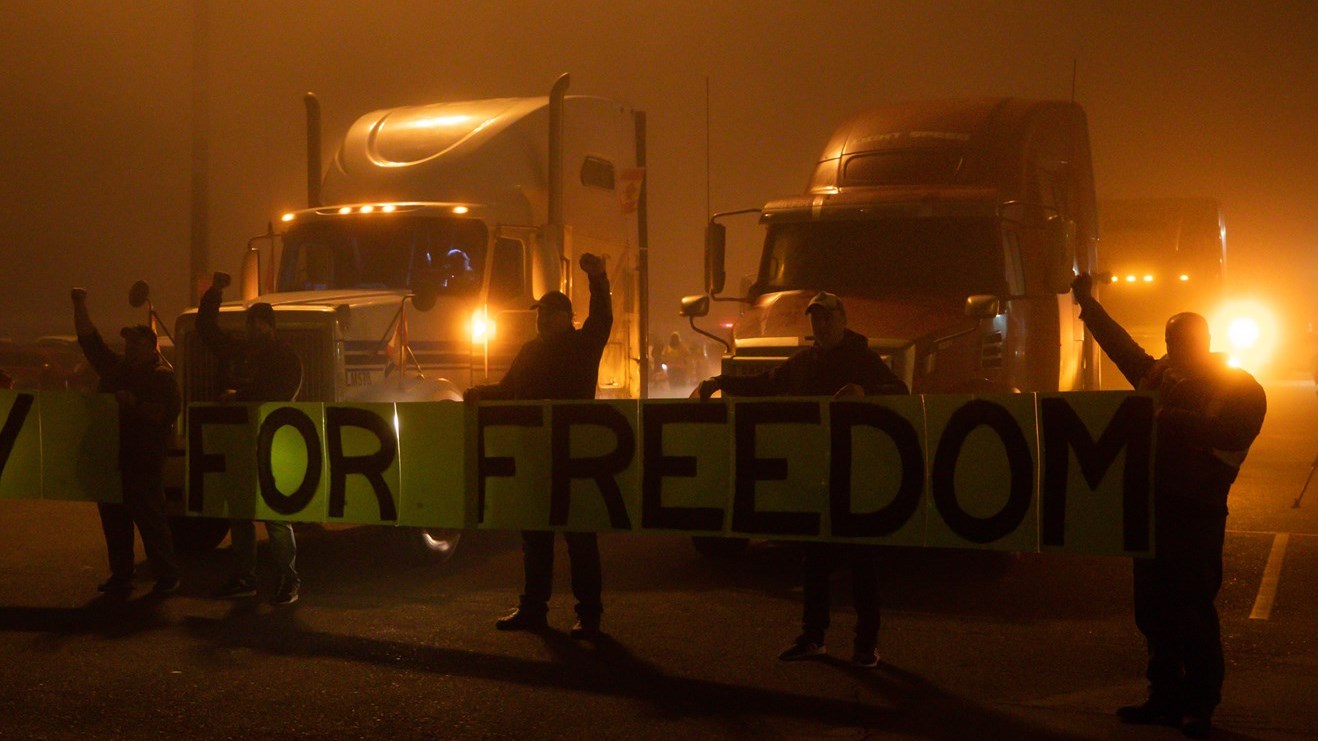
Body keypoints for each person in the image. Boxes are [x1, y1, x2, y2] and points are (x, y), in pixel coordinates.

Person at [1071, 273, 1266, 739]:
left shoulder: (1239, 386)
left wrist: (1167, 416)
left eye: (1180, 341)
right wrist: (1088, 305)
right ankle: (1163, 697)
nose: (1173, 349)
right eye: (1169, 341)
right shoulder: (1160, 374)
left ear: (1202, 341)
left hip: (1196, 511)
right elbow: (1122, 348)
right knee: (1153, 610)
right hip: (1154, 507)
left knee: (1192, 609)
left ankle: (1198, 705)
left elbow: (1230, 433)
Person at [697, 291, 907, 667]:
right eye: (815, 319)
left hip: (855, 471)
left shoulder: (864, 360)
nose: (821, 325)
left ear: (843, 320)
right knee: (815, 559)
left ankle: (865, 644)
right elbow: (765, 383)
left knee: (862, 561)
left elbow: (901, 391)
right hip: (816, 472)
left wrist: (865, 391)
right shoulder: (804, 363)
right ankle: (814, 637)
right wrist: (718, 381)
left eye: (827, 318)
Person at [465, 253, 612, 639]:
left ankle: (589, 615)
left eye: (549, 312)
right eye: (539, 312)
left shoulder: (584, 346)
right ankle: (534, 608)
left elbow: (603, 319)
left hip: (574, 456)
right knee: (535, 535)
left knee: (580, 538)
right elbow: (509, 390)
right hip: (535, 454)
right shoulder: (529, 351)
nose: (541, 317)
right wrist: (479, 393)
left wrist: (599, 279)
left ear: (568, 317)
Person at [197, 272, 304, 606]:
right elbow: (206, 328)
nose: (255, 329)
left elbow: (278, 392)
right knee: (240, 513)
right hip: (237, 442)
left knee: (274, 515)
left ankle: (289, 578)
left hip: (269, 442)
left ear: (271, 327)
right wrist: (214, 293)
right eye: (251, 323)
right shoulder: (239, 350)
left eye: (261, 323)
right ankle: (246, 576)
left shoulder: (286, 357)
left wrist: (237, 394)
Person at [70, 288, 181, 597]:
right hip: (113, 459)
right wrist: (79, 304)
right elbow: (89, 340)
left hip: (143, 462)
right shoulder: (117, 369)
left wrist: (134, 404)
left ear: (152, 347)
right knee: (114, 520)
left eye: (137, 342)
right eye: (128, 341)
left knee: (150, 519)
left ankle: (167, 575)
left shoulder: (162, 378)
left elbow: (166, 414)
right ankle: (122, 574)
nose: (130, 346)